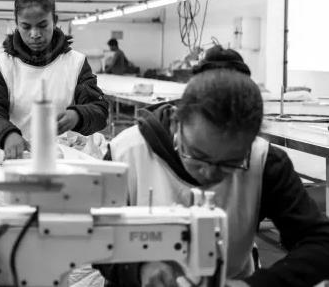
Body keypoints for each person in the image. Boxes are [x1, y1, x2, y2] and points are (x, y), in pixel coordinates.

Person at [100, 46, 329, 287]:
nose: (209, 173)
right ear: (177, 122)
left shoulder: (264, 161)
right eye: (197, 156)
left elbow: (320, 242)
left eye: (230, 163)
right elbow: (99, 237)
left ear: (250, 143)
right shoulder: (126, 153)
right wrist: (140, 269)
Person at [0, 0, 110, 159]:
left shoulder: (76, 64)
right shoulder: (2, 65)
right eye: (26, 27)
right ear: (16, 24)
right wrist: (6, 134)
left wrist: (78, 116)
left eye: (42, 25)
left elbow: (99, 110)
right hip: (19, 159)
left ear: (54, 21)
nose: (35, 34)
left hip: (65, 162)